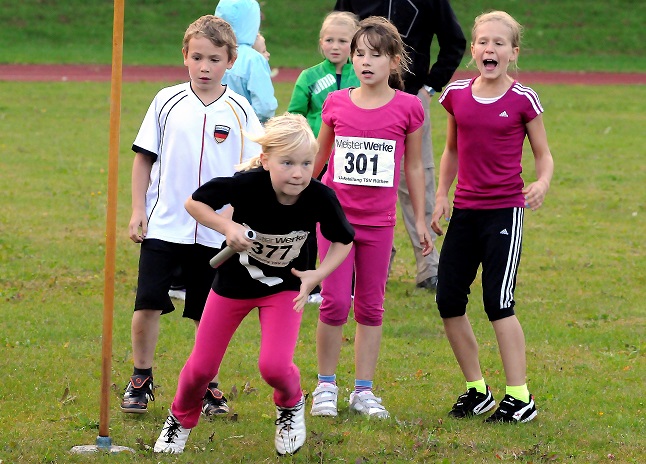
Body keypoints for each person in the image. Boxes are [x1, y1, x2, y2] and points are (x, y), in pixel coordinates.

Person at [153, 113, 354, 455]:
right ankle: (179, 421)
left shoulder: (320, 196)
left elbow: (343, 240)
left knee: (274, 366)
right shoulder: (246, 185)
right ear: (265, 161)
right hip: (233, 286)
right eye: (287, 163)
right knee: (201, 368)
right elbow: (194, 203)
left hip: (285, 290)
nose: (298, 173)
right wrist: (227, 227)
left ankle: (290, 405)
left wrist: (318, 274)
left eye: (306, 163)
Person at [121, 14, 263, 418]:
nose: (204, 67)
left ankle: (207, 384)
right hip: (164, 225)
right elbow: (143, 158)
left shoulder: (240, 110)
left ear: (231, 61)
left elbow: (252, 169)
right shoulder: (166, 101)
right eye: (197, 57)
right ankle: (141, 378)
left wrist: (233, 219)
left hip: (215, 234)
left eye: (214, 59)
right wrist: (138, 209)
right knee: (147, 304)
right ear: (184, 55)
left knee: (209, 315)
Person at [431, 10, 554, 423]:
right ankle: (477, 390)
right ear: (473, 49)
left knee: (498, 302)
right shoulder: (456, 95)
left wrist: (542, 182)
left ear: (513, 52)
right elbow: (451, 150)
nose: (490, 49)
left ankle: (519, 397)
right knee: (448, 300)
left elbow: (544, 155)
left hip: (504, 212)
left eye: (499, 43)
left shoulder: (523, 99)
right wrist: (441, 195)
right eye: (483, 41)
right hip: (465, 211)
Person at [311, 16, 432, 419]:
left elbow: (413, 168)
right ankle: (325, 386)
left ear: (394, 61)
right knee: (333, 303)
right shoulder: (336, 102)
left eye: (376, 55)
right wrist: (296, 197)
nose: (365, 61)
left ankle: (363, 391)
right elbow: (319, 157)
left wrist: (420, 221)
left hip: (379, 224)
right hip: (335, 221)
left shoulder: (409, 107)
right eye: (359, 53)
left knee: (370, 307)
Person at [335, 0, 466, 291]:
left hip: (411, 100)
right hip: (361, 102)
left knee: (417, 177)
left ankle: (429, 266)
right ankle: (367, 261)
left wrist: (429, 87)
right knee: (362, 182)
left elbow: (454, 41)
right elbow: (339, 28)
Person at [287, 10, 360, 304]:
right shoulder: (310, 76)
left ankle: (348, 283)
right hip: (316, 158)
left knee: (344, 219)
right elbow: (294, 115)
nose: (335, 46)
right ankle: (311, 281)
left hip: (351, 158)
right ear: (321, 42)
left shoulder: (363, 74)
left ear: (354, 44)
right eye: (329, 40)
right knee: (310, 218)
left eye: (343, 41)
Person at [215, 0, 278, 123]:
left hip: (214, 126)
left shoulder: (209, 53)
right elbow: (264, 107)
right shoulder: (253, 60)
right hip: (246, 128)